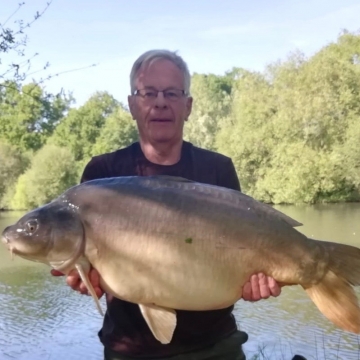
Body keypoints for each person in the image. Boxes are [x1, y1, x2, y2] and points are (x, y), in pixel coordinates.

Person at [51, 49, 281, 360]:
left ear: (188, 106)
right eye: (148, 92)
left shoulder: (217, 170)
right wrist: (84, 278)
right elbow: (92, 272)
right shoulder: (101, 174)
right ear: (132, 104)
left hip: (217, 346)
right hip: (128, 350)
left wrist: (253, 282)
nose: (160, 102)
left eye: (172, 93)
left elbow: (239, 256)